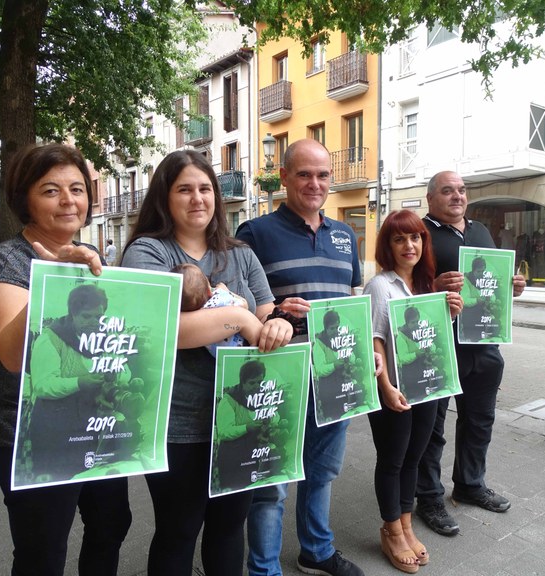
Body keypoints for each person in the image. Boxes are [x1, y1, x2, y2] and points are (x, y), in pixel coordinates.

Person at [119, 150, 292, 576]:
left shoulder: (241, 254)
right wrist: (236, 317)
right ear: (165, 197)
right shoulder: (148, 252)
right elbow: (162, 331)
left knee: (230, 527)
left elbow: (266, 312)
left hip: (242, 418)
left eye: (205, 189)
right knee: (179, 529)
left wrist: (280, 326)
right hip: (178, 422)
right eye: (184, 189)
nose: (198, 198)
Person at [0, 143, 132, 575]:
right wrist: (55, 277)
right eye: (51, 190)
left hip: (96, 426)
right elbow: (11, 355)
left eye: (77, 189)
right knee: (43, 550)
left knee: (111, 525)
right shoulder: (4, 262)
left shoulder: (91, 262)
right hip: (31, 434)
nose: (68, 200)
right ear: (25, 199)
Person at [236, 138, 365, 576]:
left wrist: (366, 355)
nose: (315, 183)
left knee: (323, 470)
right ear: (285, 177)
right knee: (270, 479)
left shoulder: (346, 235)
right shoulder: (254, 234)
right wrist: (273, 313)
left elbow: (351, 299)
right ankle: (264, 569)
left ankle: (316, 550)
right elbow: (236, 304)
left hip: (333, 370)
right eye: (305, 174)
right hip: (278, 371)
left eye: (323, 174)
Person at [415, 170, 525, 537]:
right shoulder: (420, 234)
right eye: (447, 191)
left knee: (480, 420)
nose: (457, 197)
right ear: (431, 198)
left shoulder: (480, 232)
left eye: (461, 191)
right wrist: (431, 287)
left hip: (484, 344)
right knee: (432, 427)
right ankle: (428, 496)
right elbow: (399, 288)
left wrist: (511, 287)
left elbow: (490, 287)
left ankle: (470, 484)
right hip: (438, 345)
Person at [363, 210, 463, 573]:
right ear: (388, 246)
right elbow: (373, 340)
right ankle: (391, 530)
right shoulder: (380, 286)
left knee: (414, 459)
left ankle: (405, 525)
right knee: (392, 460)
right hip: (393, 390)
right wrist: (385, 386)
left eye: (416, 237)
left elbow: (429, 339)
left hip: (427, 387)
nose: (410, 245)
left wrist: (449, 313)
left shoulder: (427, 285)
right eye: (399, 238)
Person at [28, 283, 140, 482]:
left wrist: (116, 374)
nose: (94, 322)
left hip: (92, 427)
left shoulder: (107, 338)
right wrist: (79, 382)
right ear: (72, 313)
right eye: (86, 317)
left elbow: (126, 372)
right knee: (60, 488)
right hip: (56, 431)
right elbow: (42, 385)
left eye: (98, 317)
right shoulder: (50, 339)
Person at [213, 359, 280, 492]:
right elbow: (224, 431)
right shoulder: (229, 400)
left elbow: (276, 415)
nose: (257, 386)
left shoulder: (263, 395)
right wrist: (247, 427)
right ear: (243, 382)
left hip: (253, 456)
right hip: (233, 459)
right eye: (252, 383)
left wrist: (271, 418)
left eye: (260, 382)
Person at [171, 262, 253, 354]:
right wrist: (226, 292)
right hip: (243, 345)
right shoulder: (219, 298)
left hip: (220, 356)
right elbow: (244, 305)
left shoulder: (195, 318)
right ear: (209, 291)